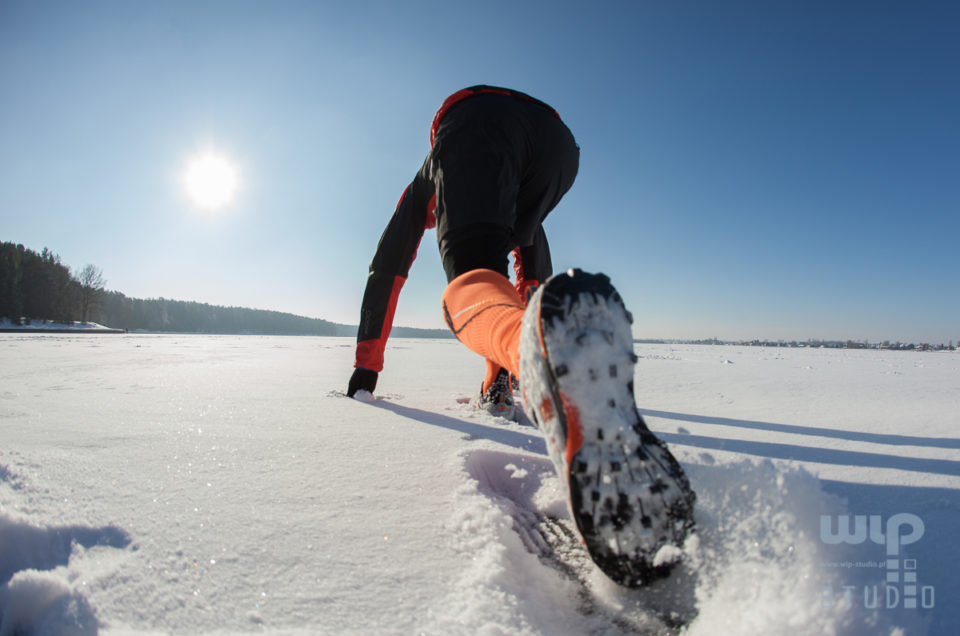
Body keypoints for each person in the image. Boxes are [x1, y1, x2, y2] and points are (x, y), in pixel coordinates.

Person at [347, 85, 695, 587]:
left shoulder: (436, 166)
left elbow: (387, 268)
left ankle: (531, 359)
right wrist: (512, 359)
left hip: (472, 120)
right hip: (559, 148)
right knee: (508, 280)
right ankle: (509, 377)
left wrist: (366, 368)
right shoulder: (499, 179)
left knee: (468, 288)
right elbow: (529, 271)